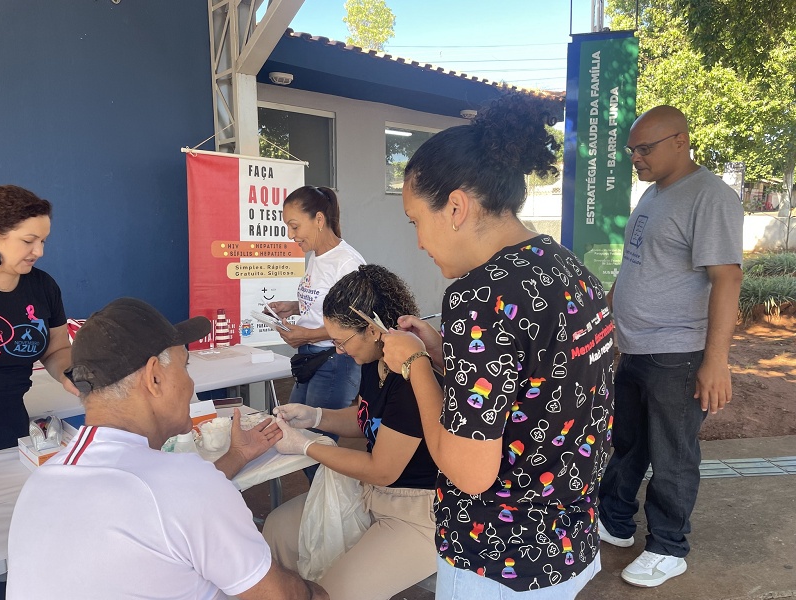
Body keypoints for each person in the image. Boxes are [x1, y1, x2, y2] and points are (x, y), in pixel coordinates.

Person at [381, 92, 615, 599]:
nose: (419, 241)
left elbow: (469, 473)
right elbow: (538, 384)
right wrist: (446, 351)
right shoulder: (569, 271)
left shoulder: (478, 295)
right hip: (567, 544)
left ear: (457, 207)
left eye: (416, 220)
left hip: (500, 559)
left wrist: (417, 363)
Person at [7, 297, 328, 600]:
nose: (189, 385)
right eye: (185, 367)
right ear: (154, 377)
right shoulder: (186, 487)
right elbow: (280, 596)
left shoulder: (42, 480)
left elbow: (157, 503)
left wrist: (237, 456)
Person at [597, 106, 744, 587]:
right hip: (637, 348)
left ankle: (668, 546)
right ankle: (616, 524)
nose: (635, 158)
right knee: (628, 443)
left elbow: (726, 277)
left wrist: (715, 361)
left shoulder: (710, 197)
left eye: (645, 148)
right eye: (631, 150)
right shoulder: (655, 194)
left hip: (678, 353)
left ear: (680, 141)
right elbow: (634, 268)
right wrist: (608, 329)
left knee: (672, 453)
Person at [263, 264, 439, 600]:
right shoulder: (375, 360)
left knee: (335, 592)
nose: (339, 351)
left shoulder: (411, 379)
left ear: (372, 330)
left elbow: (382, 469)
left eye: (342, 341)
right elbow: (366, 419)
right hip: (371, 495)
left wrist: (304, 447)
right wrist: (315, 417)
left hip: (417, 513)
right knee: (277, 529)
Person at [268, 186, 366, 476]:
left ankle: (332, 514)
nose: (290, 235)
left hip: (335, 363)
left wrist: (305, 335)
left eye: (294, 226)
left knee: (314, 447)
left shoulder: (347, 263)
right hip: (311, 360)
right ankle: (320, 511)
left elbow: (353, 324)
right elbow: (328, 305)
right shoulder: (317, 257)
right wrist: (294, 306)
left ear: (319, 220)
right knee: (296, 434)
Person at [0, 185, 78, 451]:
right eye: (28, 241)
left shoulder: (43, 286)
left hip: (12, 428)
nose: (39, 251)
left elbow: (57, 349)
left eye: (43, 241)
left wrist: (71, 375)